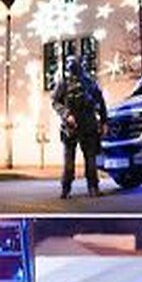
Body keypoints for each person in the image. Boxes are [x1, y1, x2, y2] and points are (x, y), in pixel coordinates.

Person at [52, 55, 108, 199]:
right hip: (71, 126)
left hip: (88, 124)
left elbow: (100, 102)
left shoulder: (90, 82)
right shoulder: (63, 83)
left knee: (90, 159)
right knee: (69, 160)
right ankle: (66, 188)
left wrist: (103, 122)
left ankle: (93, 187)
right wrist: (66, 114)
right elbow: (55, 102)